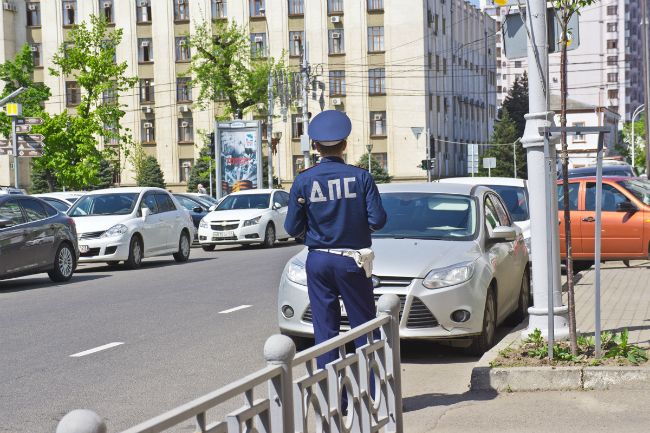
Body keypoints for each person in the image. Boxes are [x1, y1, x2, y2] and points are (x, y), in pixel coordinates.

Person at [284, 110, 387, 371]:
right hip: (352, 260)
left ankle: (332, 399)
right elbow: (378, 220)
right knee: (364, 326)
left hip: (318, 260)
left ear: (316, 147)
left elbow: (291, 227)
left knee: (325, 331)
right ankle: (372, 394)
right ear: (345, 144)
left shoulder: (304, 180)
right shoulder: (361, 177)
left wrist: (314, 232)